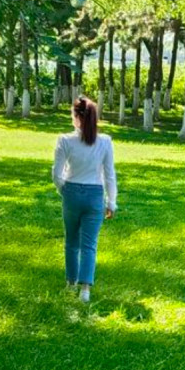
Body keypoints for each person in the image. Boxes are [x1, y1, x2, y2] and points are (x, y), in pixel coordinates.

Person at [52, 95, 117, 303]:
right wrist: (111, 202)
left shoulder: (65, 140)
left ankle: (70, 284)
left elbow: (56, 174)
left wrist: (64, 190)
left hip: (71, 192)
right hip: (95, 195)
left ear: (76, 117)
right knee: (89, 244)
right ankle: (85, 290)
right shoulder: (105, 141)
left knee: (71, 241)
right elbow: (109, 175)